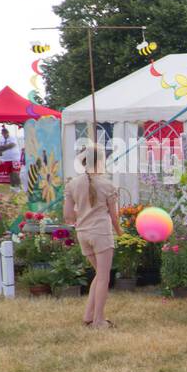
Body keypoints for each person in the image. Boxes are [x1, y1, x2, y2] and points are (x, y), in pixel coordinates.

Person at [63, 141, 121, 330]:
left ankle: (88, 315)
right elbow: (113, 217)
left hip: (83, 234)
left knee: (99, 274)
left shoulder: (72, 184)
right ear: (101, 162)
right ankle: (99, 320)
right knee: (104, 277)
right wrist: (121, 233)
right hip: (101, 234)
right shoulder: (107, 185)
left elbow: (68, 216)